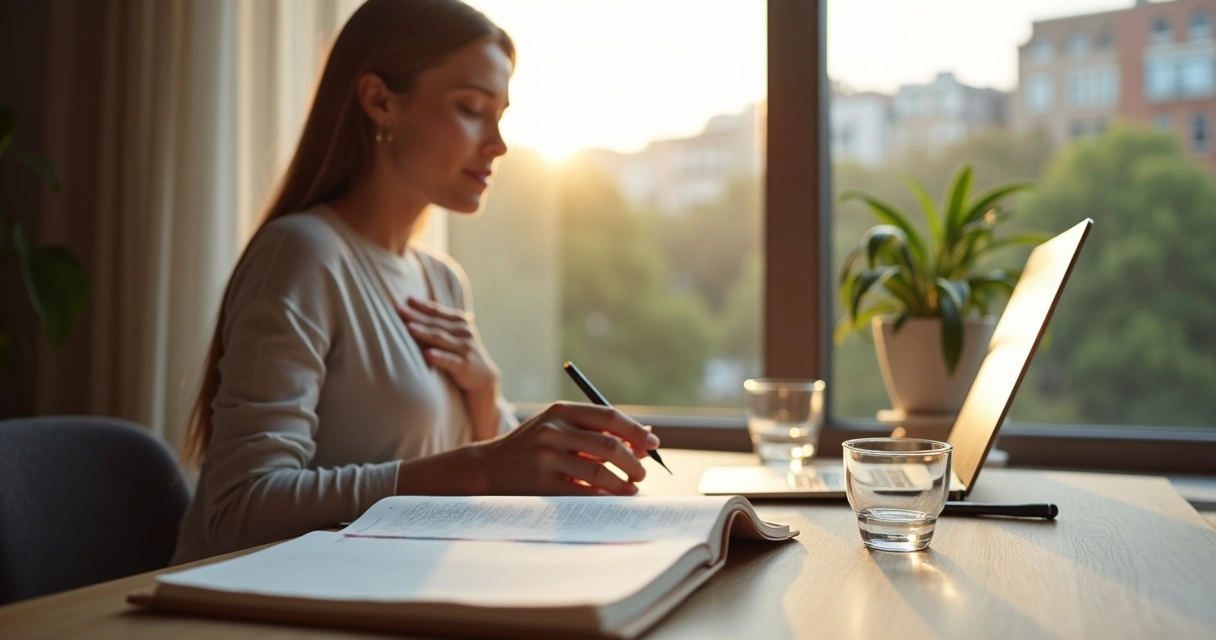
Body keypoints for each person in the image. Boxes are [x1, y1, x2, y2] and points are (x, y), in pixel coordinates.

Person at [172, 0, 659, 565]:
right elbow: (239, 513)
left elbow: (500, 484)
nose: (498, 142)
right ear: (380, 101)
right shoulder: (303, 255)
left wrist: (483, 391)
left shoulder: (441, 281)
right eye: (472, 108)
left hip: (381, 592)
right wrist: (481, 467)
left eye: (500, 114)